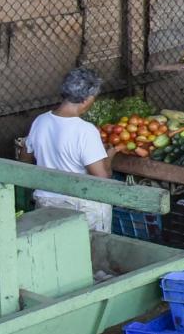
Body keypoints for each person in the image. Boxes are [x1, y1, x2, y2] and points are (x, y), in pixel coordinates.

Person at [24, 68, 118, 232]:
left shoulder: (40, 121)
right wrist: (110, 155)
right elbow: (102, 177)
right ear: (86, 99)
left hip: (46, 201)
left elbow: (25, 159)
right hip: (80, 206)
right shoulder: (86, 131)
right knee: (92, 252)